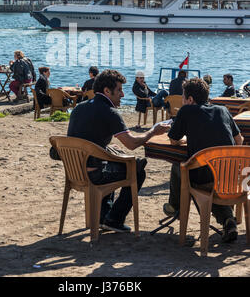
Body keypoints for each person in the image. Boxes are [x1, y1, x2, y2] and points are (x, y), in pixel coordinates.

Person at [67, 69, 170, 233]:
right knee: (136, 172)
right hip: (94, 173)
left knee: (112, 159)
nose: (122, 95)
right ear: (107, 91)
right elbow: (132, 143)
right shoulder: (109, 112)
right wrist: (153, 131)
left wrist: (107, 148)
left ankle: (103, 217)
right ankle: (114, 220)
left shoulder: (79, 108)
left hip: (74, 170)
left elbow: (83, 139)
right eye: (119, 90)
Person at [165, 78, 243, 243]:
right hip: (231, 179)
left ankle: (175, 207)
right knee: (210, 177)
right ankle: (228, 219)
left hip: (204, 179)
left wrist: (186, 140)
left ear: (190, 99)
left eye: (183, 97)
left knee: (181, 166)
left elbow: (173, 140)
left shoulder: (186, 111)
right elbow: (239, 140)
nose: (183, 101)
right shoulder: (223, 110)